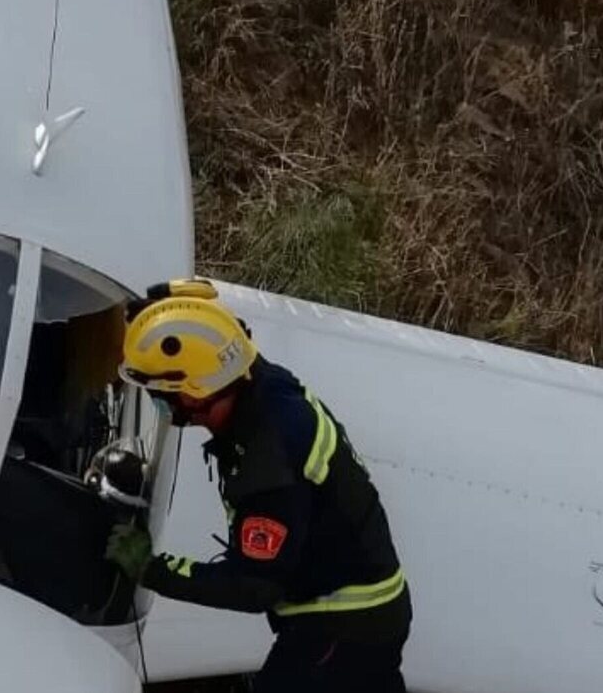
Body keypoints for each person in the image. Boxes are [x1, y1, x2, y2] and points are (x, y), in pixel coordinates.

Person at [105, 279, 409, 692]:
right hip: (359, 613)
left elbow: (253, 586)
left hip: (345, 625)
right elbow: (212, 341)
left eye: (163, 394)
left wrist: (152, 570)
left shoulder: (268, 464)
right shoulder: (256, 379)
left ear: (195, 394)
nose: (162, 404)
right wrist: (168, 318)